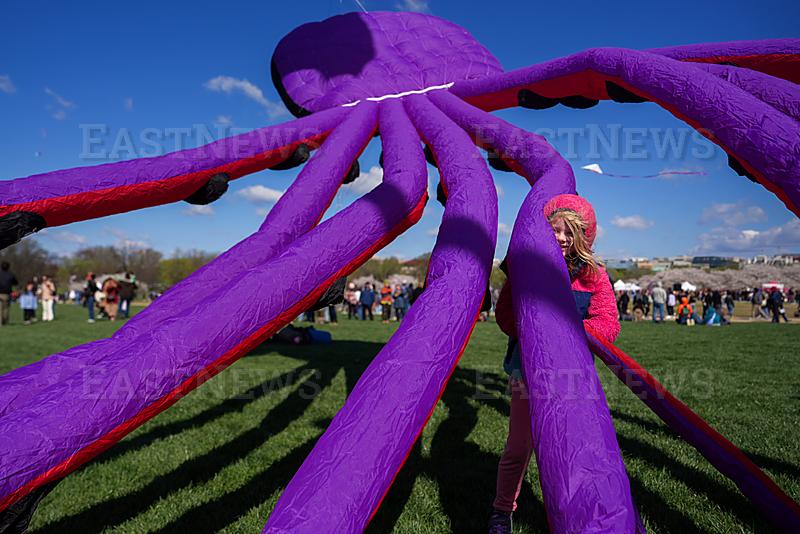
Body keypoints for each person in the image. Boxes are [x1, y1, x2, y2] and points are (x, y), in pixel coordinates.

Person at [488, 194, 619, 533]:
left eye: (569, 232)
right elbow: (504, 316)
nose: (560, 238)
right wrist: (536, 331)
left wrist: (569, 332)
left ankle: (569, 514)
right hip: (526, 374)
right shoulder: (525, 267)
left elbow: (608, 322)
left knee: (570, 448)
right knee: (519, 446)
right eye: (554, 230)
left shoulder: (594, 276)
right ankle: (502, 511)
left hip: (572, 376)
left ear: (583, 237)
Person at [0, 261, 18, 326]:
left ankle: (1, 322)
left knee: (0, 308)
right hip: (6, 293)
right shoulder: (10, 275)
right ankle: (4, 321)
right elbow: (16, 282)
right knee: (6, 308)